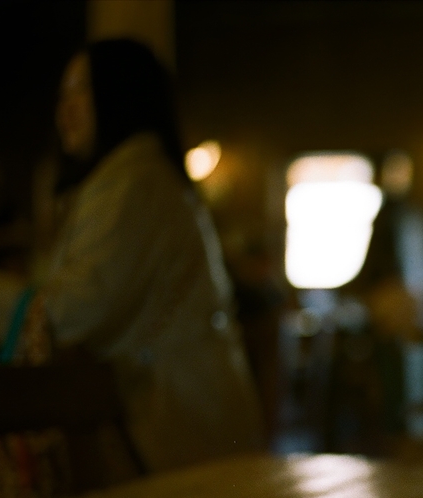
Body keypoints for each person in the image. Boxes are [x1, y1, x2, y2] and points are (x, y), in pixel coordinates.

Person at [28, 39, 265, 471]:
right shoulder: (138, 177)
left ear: (121, 93)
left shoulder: (132, 184)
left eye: (82, 89)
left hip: (181, 418)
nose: (66, 109)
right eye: (62, 95)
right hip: (195, 408)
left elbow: (78, 308)